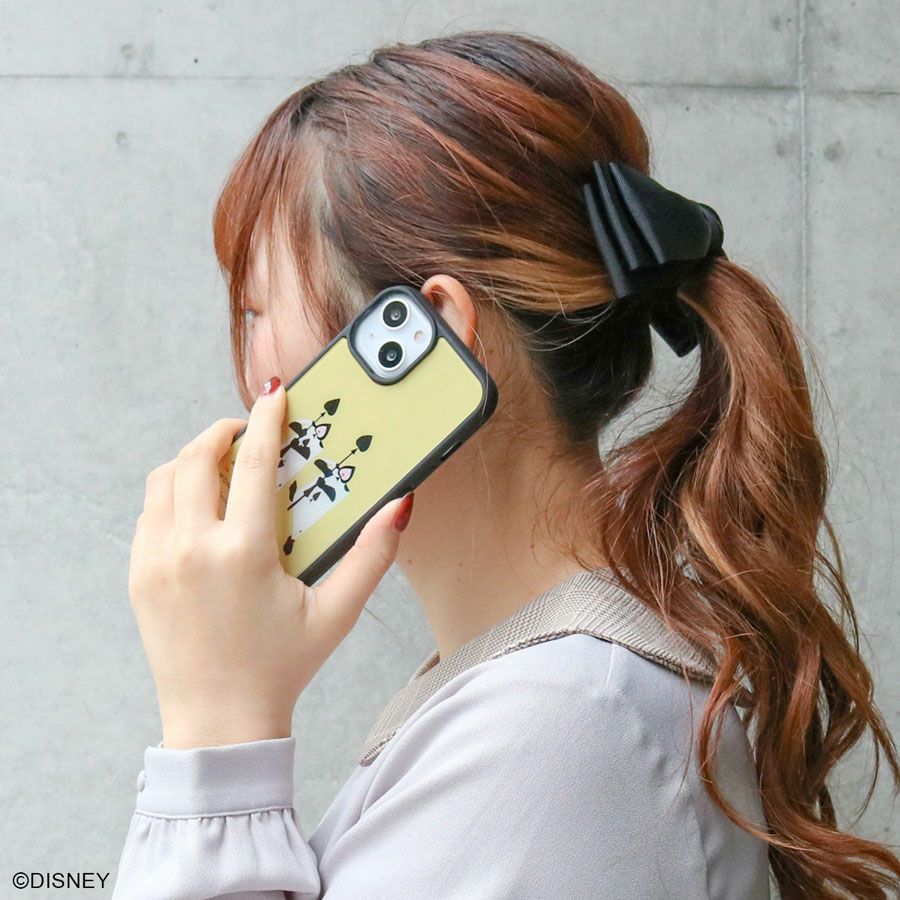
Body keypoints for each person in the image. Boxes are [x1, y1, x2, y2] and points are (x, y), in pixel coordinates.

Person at [111, 30, 900, 900]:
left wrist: (216, 731)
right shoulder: (549, 702)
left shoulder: (567, 724)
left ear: (431, 335)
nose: (250, 373)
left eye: (258, 309)